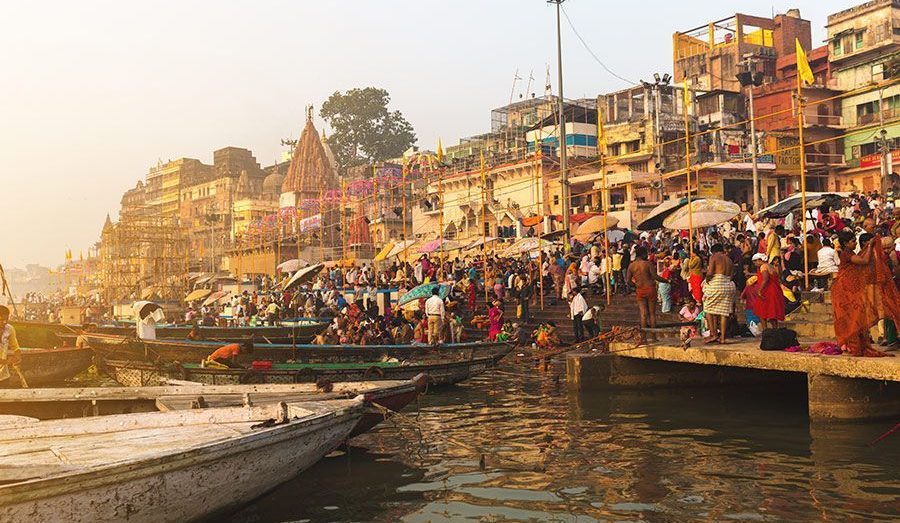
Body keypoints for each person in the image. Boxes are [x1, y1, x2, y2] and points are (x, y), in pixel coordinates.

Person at [832, 231, 899, 357]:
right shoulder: (846, 254)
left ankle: (856, 346)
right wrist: (869, 246)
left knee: (856, 318)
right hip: (843, 290)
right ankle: (851, 346)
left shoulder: (850, 252)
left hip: (849, 290)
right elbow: (864, 261)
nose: (855, 243)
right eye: (852, 241)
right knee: (852, 318)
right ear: (846, 243)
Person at [626, 246, 668, 334]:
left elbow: (628, 281)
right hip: (650, 289)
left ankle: (643, 338)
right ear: (643, 254)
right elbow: (655, 277)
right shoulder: (648, 264)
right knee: (652, 314)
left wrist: (636, 285)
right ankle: (653, 337)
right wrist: (666, 280)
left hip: (640, 290)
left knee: (643, 314)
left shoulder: (631, 265)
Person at [701, 243, 736, 344]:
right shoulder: (729, 260)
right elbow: (732, 275)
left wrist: (707, 278)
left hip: (717, 284)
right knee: (724, 313)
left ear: (714, 251)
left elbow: (710, 272)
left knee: (707, 309)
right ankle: (723, 338)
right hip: (728, 285)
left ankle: (714, 334)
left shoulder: (714, 257)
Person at [751, 253, 785, 331]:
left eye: (755, 261)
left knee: (762, 312)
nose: (755, 264)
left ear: (760, 260)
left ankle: (765, 331)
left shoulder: (763, 266)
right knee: (772, 313)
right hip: (774, 291)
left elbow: (765, 279)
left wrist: (760, 291)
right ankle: (775, 331)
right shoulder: (771, 266)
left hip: (767, 291)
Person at [0, 306, 23, 388]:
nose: (4, 322)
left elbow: (15, 347)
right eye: (1, 320)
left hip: (3, 375)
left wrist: (18, 357)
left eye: (6, 320)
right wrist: (6, 361)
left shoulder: (9, 329)